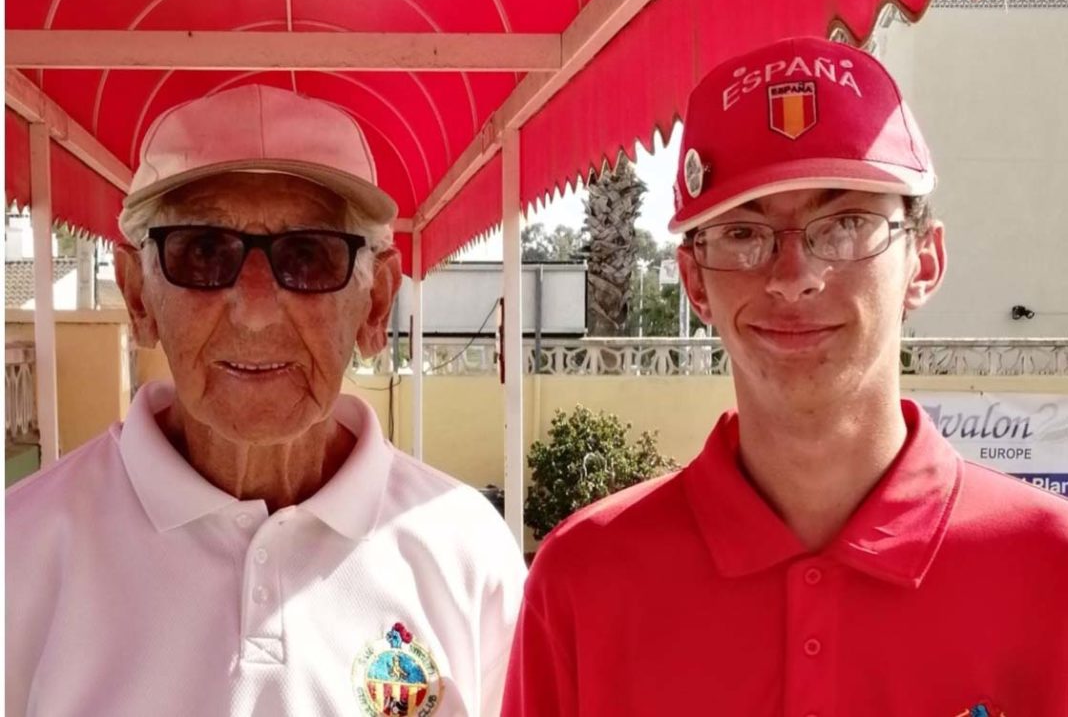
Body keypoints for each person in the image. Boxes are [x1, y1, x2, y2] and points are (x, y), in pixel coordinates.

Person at [502, 37, 1068, 715]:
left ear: (924, 261)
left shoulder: (1048, 570)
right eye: (744, 233)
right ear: (694, 282)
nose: (794, 278)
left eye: (845, 224)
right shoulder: (584, 581)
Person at [6, 84, 526, 717]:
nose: (254, 312)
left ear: (377, 304)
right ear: (139, 297)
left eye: (308, 256)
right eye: (202, 252)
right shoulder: (22, 551)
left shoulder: (466, 551)